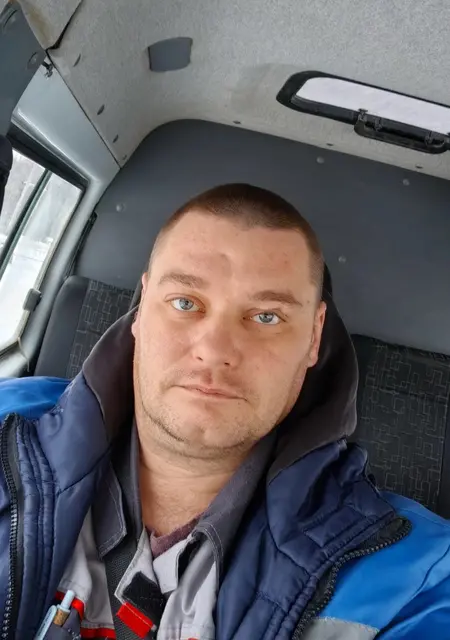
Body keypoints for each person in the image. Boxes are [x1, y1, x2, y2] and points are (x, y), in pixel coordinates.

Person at [0, 184, 449, 640]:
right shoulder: (6, 432)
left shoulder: (416, 578)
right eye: (185, 303)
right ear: (142, 308)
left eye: (266, 316)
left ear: (314, 337)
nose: (214, 350)